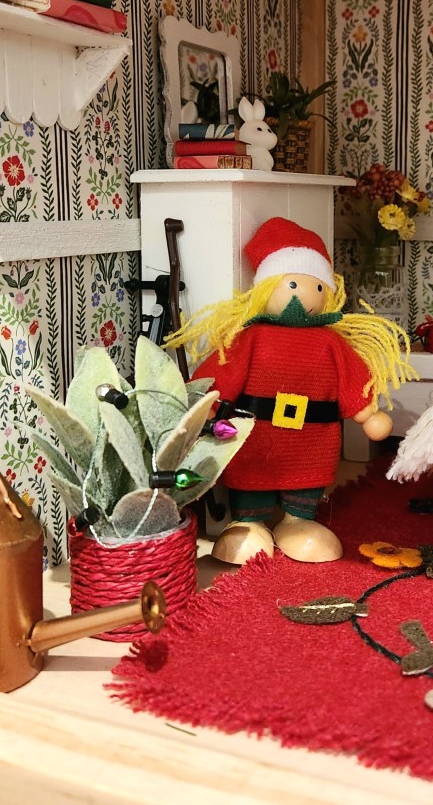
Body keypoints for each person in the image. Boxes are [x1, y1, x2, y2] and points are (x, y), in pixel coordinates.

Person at [166, 217, 413, 564]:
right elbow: (223, 370)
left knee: (307, 479)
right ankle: (248, 522)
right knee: (250, 476)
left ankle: (299, 520)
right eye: (293, 284)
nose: (305, 296)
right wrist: (207, 402)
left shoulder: (331, 342)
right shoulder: (251, 337)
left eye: (317, 288)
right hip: (257, 436)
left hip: (312, 440)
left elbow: (352, 378)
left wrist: (367, 413)